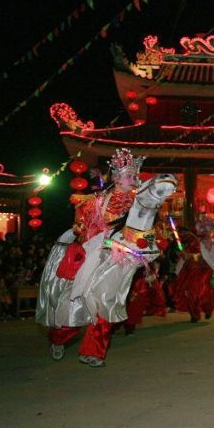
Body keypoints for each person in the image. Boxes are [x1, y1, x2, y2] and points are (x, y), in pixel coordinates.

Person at [46, 148, 145, 368]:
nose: (134, 179)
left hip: (120, 262)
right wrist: (106, 239)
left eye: (135, 175)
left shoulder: (138, 204)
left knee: (104, 309)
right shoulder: (97, 201)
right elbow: (82, 230)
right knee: (77, 311)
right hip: (97, 256)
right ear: (117, 178)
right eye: (130, 175)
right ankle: (58, 338)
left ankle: (93, 353)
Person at [172, 214, 214, 322]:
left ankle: (207, 310)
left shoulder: (209, 244)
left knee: (202, 293)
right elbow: (184, 256)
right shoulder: (190, 242)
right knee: (188, 293)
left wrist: (190, 256)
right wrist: (183, 255)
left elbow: (208, 258)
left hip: (203, 271)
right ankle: (194, 315)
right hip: (189, 271)